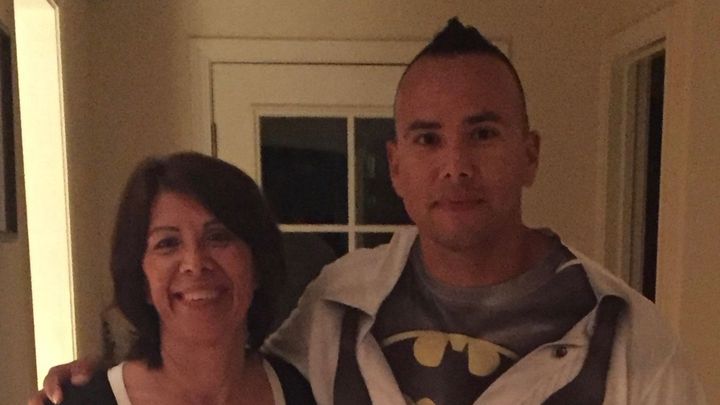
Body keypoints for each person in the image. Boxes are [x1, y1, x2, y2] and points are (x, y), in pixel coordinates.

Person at [31, 18, 705, 405]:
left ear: (529, 153)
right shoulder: (339, 305)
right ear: (397, 165)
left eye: (483, 133)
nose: (456, 165)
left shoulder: (630, 341)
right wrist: (106, 381)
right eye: (427, 138)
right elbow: (223, 356)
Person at [36, 152, 314, 404]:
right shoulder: (79, 402)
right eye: (167, 243)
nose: (195, 264)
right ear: (141, 280)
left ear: (258, 263)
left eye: (218, 237)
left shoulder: (308, 391)